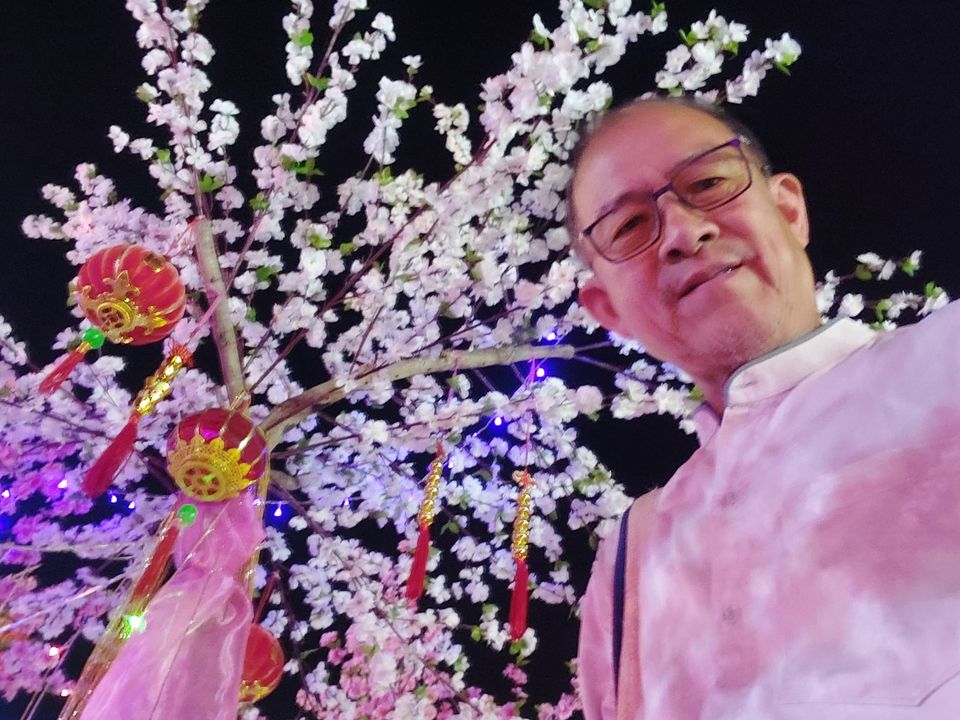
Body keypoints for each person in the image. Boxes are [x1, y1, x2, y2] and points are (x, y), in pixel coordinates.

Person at [571, 98, 960, 719]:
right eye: (630, 226)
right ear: (607, 309)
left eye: (708, 183)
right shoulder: (630, 562)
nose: (682, 232)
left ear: (788, 209)